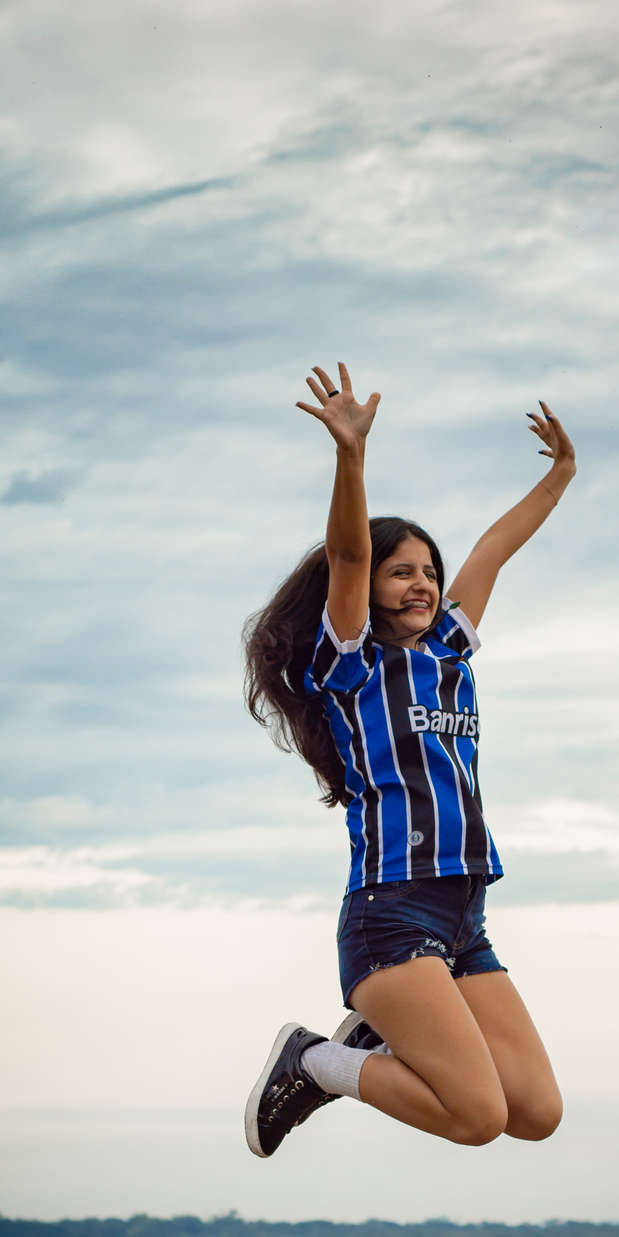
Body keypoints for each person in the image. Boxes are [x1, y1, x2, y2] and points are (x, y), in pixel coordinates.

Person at [242, 362, 575, 1161]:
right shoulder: (351, 663)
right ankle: (319, 1062)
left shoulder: (450, 652)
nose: (423, 584)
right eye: (405, 572)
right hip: (392, 912)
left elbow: (494, 548)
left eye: (429, 571)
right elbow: (348, 554)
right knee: (474, 1116)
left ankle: (373, 1034)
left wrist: (561, 474)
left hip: (465, 915)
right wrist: (350, 456)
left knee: (533, 1111)